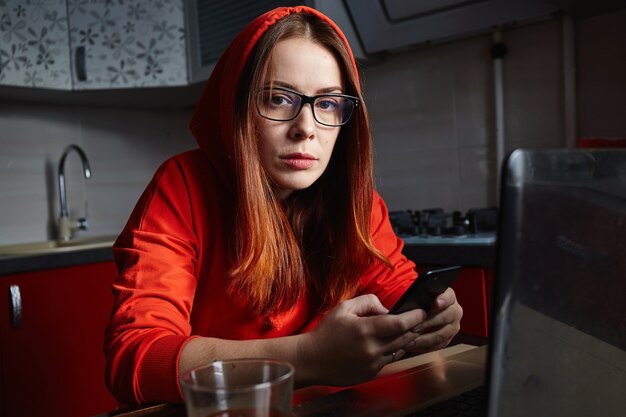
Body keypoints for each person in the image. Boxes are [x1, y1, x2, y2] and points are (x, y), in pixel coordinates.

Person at [104, 5, 463, 405]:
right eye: (278, 99)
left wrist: (428, 320)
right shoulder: (182, 187)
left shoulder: (356, 202)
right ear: (236, 108)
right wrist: (307, 356)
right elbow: (137, 359)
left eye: (327, 104)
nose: (305, 128)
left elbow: (396, 292)